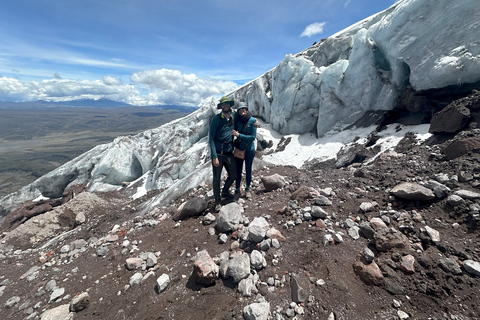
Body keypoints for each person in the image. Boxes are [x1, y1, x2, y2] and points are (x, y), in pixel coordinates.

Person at [208, 96, 237, 212]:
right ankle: (217, 201)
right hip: (219, 154)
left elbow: (245, 117)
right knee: (216, 179)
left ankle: (225, 191)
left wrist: (254, 122)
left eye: (227, 104)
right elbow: (211, 139)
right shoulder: (216, 119)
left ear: (229, 105)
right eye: (223, 104)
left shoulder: (233, 116)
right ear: (221, 106)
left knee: (233, 175)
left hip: (229, 152)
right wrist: (214, 156)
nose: (226, 105)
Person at [232, 102, 257, 199]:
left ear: (246, 110)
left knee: (248, 169)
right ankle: (237, 189)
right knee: (238, 170)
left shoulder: (252, 121)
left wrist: (239, 135)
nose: (242, 111)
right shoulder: (237, 120)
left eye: (243, 109)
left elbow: (252, 137)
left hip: (249, 149)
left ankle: (247, 189)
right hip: (240, 149)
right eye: (240, 110)